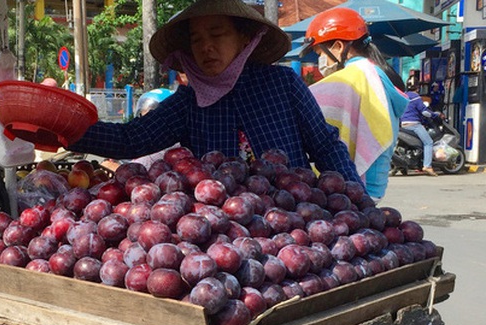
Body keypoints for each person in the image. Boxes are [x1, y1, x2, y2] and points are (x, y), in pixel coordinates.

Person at [68, 0, 364, 187]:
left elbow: (325, 146)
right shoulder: (188, 101)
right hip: (223, 236)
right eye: (196, 40)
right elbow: (130, 139)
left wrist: (356, 199)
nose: (205, 46)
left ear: (244, 38)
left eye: (217, 34)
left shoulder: (282, 83)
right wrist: (61, 128)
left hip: (293, 222)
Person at [299, 8, 409, 202]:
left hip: (357, 183)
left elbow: (307, 103)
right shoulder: (377, 72)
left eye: (319, 53)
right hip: (375, 183)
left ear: (339, 46)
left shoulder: (356, 75)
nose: (319, 61)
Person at [400, 80, 441, 177]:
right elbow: (424, 112)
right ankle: (427, 166)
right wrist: (434, 115)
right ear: (417, 88)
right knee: (428, 142)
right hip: (414, 124)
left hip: (403, 124)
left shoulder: (404, 96)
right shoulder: (416, 97)